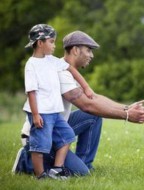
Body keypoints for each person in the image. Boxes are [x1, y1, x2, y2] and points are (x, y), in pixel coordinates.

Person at [13, 30, 144, 176]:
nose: (91, 55)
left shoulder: (65, 68)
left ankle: (84, 163)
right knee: (80, 172)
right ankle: (26, 160)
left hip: (56, 127)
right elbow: (87, 105)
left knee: (93, 117)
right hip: (41, 130)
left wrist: (126, 108)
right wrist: (126, 115)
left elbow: (94, 98)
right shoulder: (59, 72)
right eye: (88, 50)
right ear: (75, 50)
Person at [23, 24, 94, 179]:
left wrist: (86, 87)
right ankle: (38, 173)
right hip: (41, 112)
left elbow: (71, 69)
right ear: (40, 43)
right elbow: (31, 92)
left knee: (68, 136)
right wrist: (35, 114)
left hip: (55, 113)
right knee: (41, 144)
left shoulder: (52, 61)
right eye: (51, 41)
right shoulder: (31, 65)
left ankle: (57, 169)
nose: (55, 45)